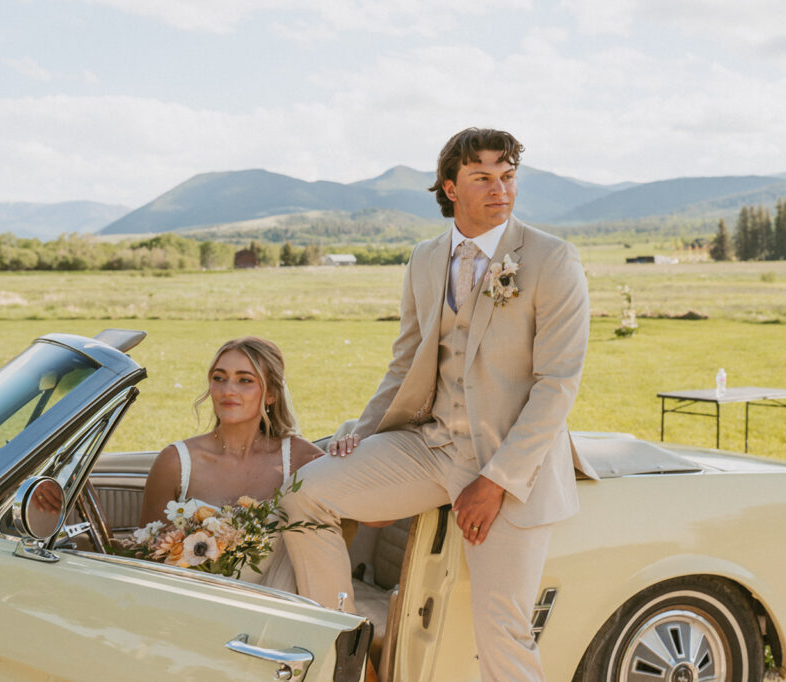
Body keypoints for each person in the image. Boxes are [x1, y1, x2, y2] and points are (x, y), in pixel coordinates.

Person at [281, 127, 597, 681]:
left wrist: (495, 481)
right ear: (450, 187)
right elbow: (405, 361)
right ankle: (345, 653)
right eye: (482, 177)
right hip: (429, 445)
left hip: (509, 464)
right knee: (305, 495)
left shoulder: (552, 259)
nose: (500, 188)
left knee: (502, 627)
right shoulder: (425, 260)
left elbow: (557, 384)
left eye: (508, 175)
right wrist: (364, 431)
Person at [140, 336, 321, 590]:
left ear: (270, 395)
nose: (227, 391)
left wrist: (345, 450)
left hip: (274, 615)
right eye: (219, 378)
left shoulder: (301, 459)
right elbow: (147, 556)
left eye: (244, 380)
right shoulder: (175, 462)